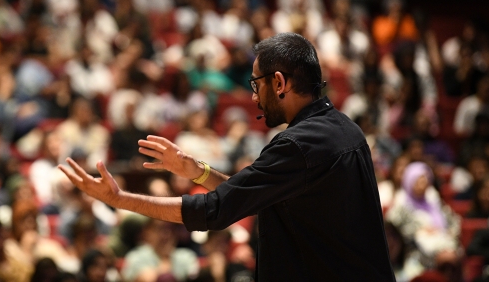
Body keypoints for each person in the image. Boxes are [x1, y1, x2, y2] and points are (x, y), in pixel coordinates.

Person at [59, 32, 395, 281]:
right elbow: (249, 196)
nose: (253, 98)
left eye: (256, 84)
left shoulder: (298, 145)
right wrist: (198, 171)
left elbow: (215, 210)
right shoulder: (346, 130)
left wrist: (120, 199)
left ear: (278, 82)